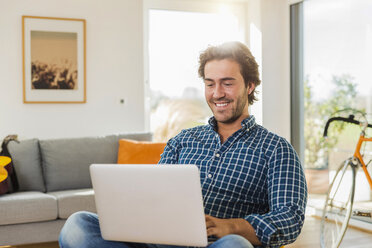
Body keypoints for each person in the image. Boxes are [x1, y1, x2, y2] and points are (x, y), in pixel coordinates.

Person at [58, 41, 307, 248]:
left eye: (227, 83)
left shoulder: (276, 149)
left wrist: (229, 226)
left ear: (250, 85)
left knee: (235, 246)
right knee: (78, 225)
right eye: (210, 84)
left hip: (217, 244)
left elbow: (290, 218)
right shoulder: (183, 140)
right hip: (159, 240)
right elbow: (153, 193)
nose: (217, 93)